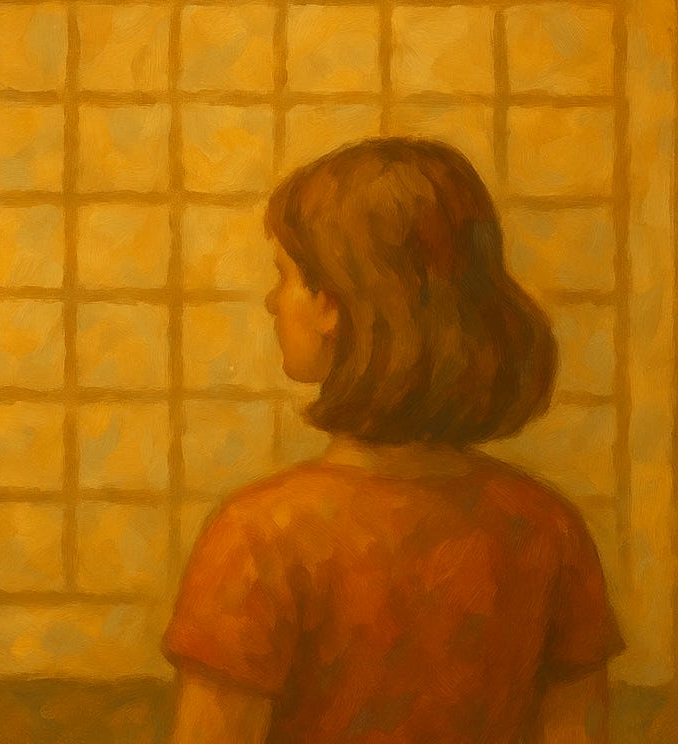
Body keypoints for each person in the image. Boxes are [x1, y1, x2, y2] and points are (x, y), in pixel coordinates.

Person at [163, 138, 624, 743]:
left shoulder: (259, 538)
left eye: (285, 275)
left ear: (332, 302)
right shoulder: (546, 528)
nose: (273, 301)